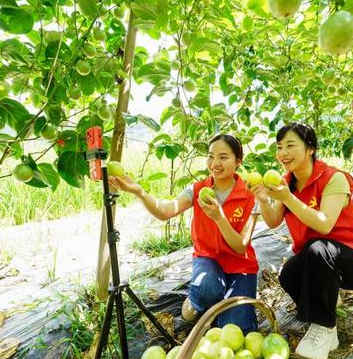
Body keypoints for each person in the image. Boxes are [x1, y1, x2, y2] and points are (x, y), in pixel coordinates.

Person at [249, 123, 353, 359]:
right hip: (319, 256)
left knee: (318, 249)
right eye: (279, 147)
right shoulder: (286, 182)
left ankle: (326, 328)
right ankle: (327, 300)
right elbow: (275, 220)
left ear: (310, 148)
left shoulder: (334, 178)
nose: (283, 153)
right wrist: (265, 201)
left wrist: (287, 197)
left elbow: (325, 225)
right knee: (288, 275)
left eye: (290, 145)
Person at [108, 134, 259, 333]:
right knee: (207, 288)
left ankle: (218, 307)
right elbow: (165, 211)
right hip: (209, 259)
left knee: (237, 331)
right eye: (211, 156)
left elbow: (240, 246)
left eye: (223, 157)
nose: (215, 163)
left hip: (240, 264)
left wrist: (219, 218)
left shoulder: (250, 194)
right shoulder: (197, 190)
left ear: (238, 161)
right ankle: (197, 301)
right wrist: (139, 192)